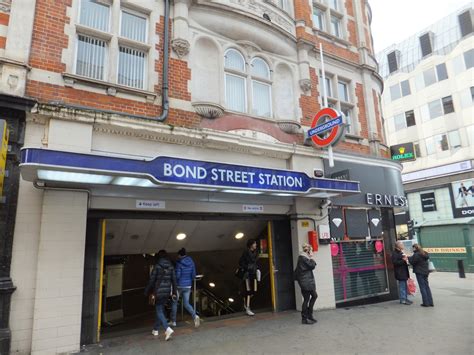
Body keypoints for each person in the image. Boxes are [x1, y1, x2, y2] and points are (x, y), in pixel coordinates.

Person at [144, 250, 177, 340]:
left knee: (159, 310)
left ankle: (167, 329)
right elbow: (174, 281)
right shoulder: (171, 266)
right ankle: (155, 329)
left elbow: (151, 280)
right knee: (160, 310)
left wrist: (146, 290)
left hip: (158, 292)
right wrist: (174, 292)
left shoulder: (157, 266)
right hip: (166, 292)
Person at [170, 248, 200, 328]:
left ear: (180, 255)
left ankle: (173, 321)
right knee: (186, 303)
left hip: (179, 286)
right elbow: (193, 275)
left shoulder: (179, 263)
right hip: (188, 285)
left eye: (178, 255)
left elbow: (178, 276)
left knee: (174, 302)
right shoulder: (191, 262)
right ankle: (195, 316)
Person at [294, 243, 318, 324]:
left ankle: (309, 315)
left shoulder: (302, 257)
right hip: (306, 282)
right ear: (307, 250)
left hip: (306, 281)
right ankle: (305, 318)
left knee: (313, 296)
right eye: (310, 249)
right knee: (307, 299)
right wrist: (311, 257)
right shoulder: (303, 258)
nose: (311, 251)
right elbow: (312, 265)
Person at [239, 239, 259, 316]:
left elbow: (255, 262)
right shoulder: (246, 252)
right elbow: (240, 262)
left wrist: (257, 268)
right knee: (248, 290)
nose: (256, 245)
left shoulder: (256, 252)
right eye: (254, 244)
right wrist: (247, 267)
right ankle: (248, 308)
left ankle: (245, 299)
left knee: (254, 290)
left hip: (254, 273)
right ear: (251, 245)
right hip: (247, 274)